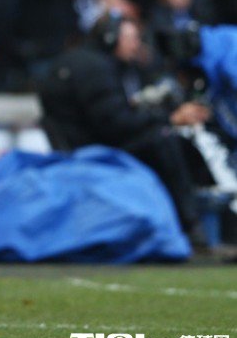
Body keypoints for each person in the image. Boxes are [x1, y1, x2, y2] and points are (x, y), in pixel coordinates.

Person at [38, 13, 211, 244]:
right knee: (163, 139)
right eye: (131, 38)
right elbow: (116, 124)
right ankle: (190, 225)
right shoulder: (96, 68)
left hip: (80, 144)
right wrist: (170, 118)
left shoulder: (81, 61)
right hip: (94, 149)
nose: (136, 45)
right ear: (110, 38)